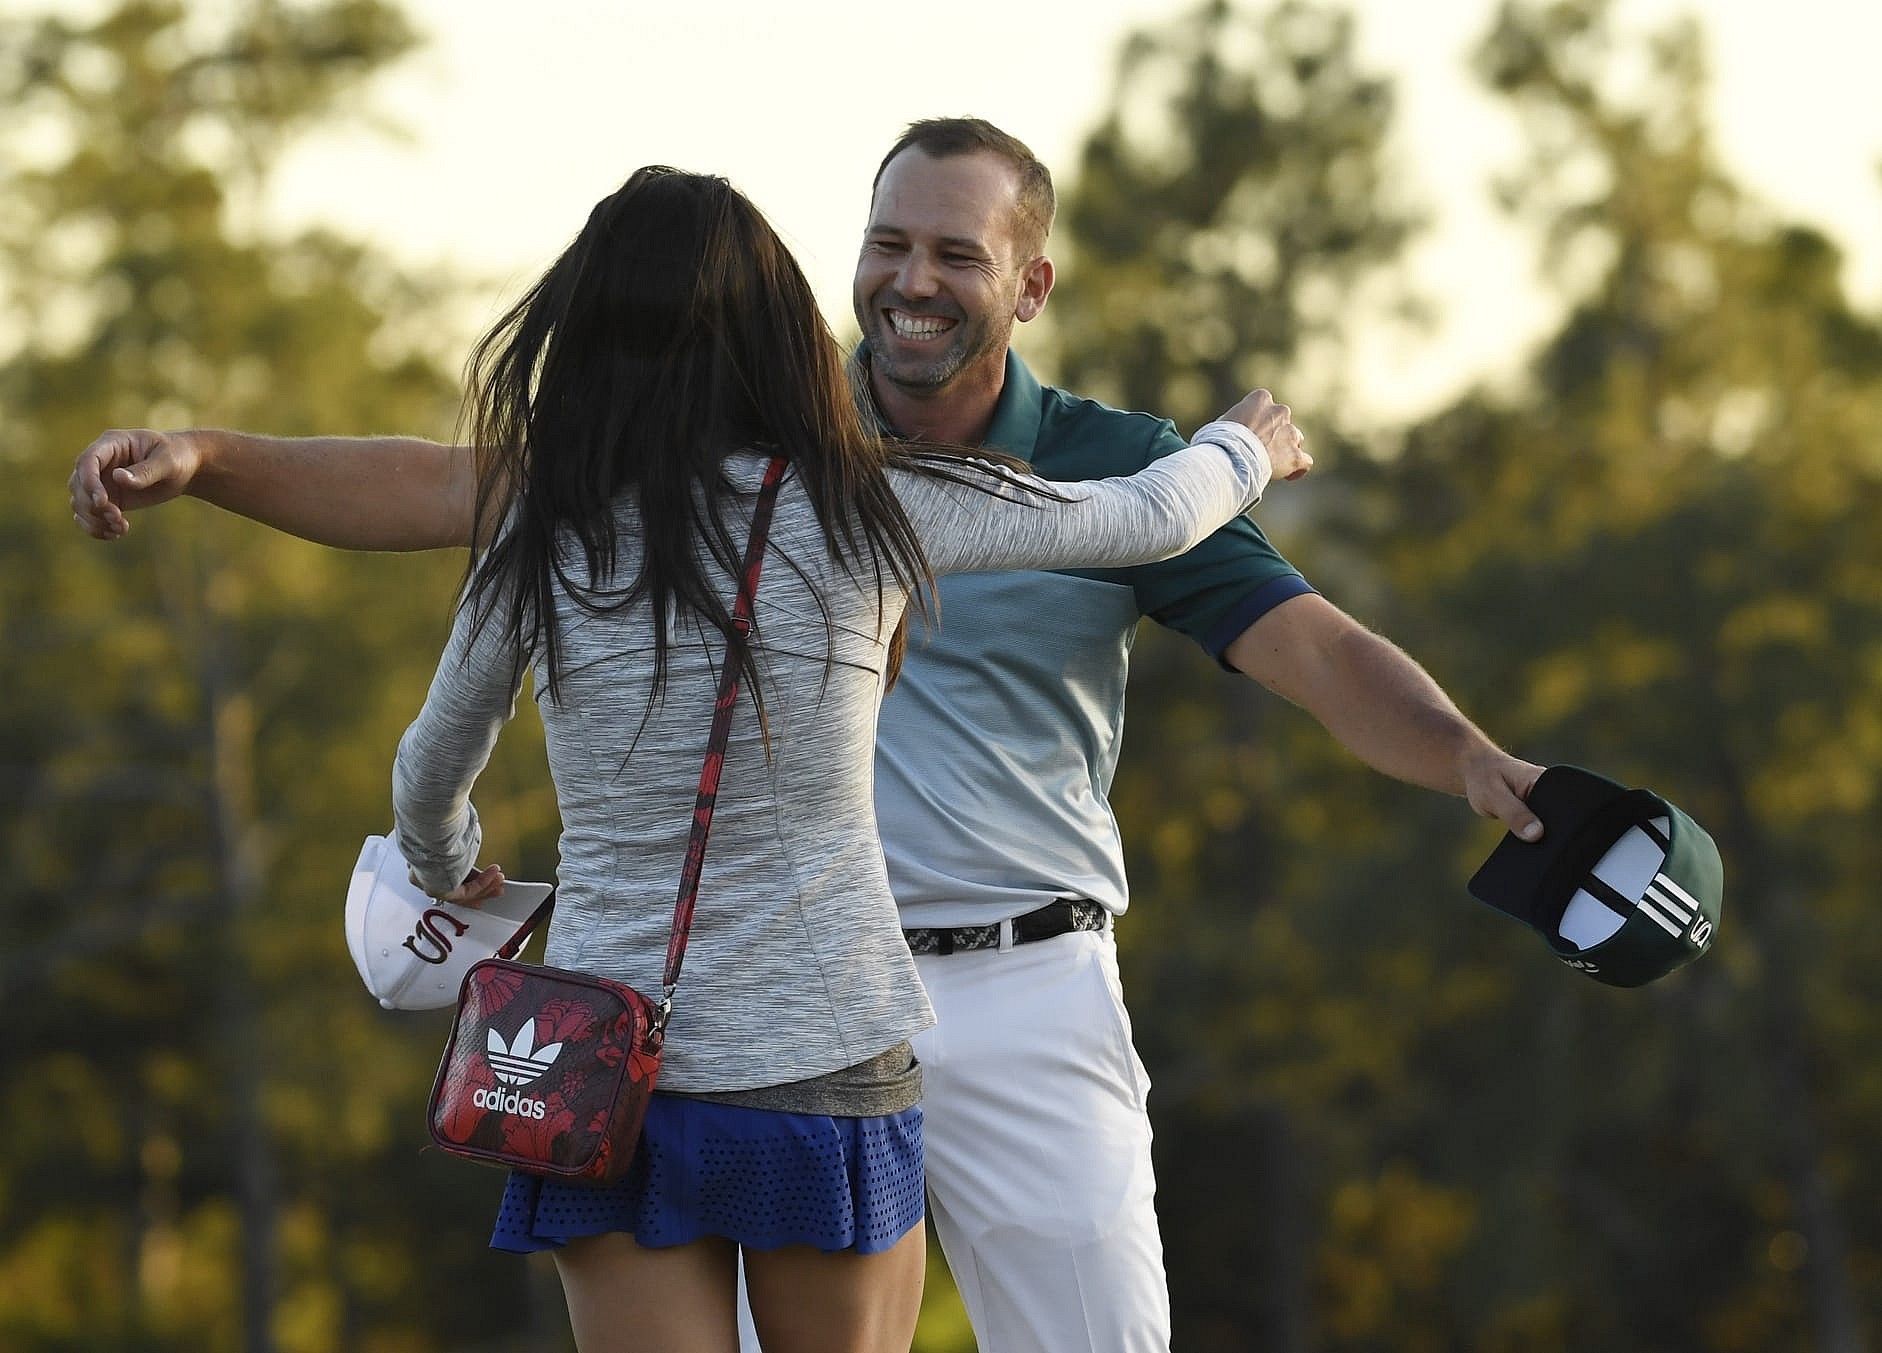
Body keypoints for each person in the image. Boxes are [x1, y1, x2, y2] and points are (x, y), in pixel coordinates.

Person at [68, 121, 1531, 1353]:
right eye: (887, 241)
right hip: (826, 1035)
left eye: (953, 252)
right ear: (808, 282)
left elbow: (1314, 640)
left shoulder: (603, 491)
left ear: (1029, 284)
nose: (910, 278)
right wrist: (1247, 447)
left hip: (920, 1000)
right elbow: (431, 481)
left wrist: (1470, 753)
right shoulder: (849, 484)